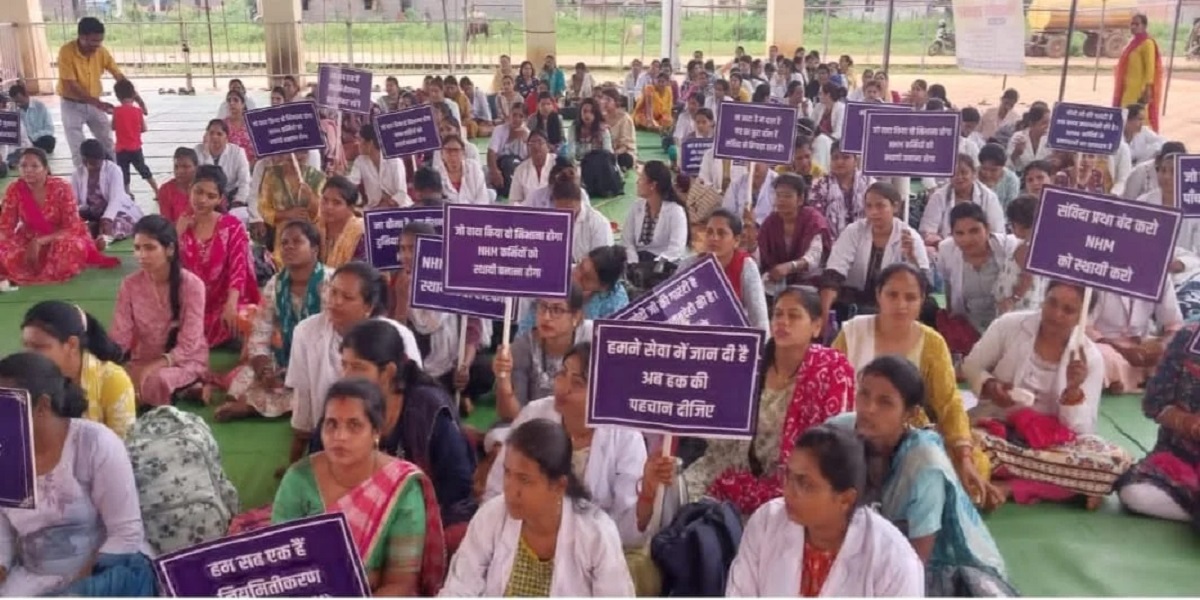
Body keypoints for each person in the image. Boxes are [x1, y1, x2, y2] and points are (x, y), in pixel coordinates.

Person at [831, 356, 1016, 596]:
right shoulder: (837, 433)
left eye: (885, 402)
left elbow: (916, 560)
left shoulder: (924, 464)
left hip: (927, 568)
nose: (868, 409)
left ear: (910, 414)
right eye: (864, 394)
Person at [833, 263, 999, 509]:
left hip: (906, 434)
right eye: (892, 295)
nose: (901, 304)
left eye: (910, 297)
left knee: (974, 463)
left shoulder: (932, 343)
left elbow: (948, 402)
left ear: (922, 301)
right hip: (855, 429)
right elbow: (831, 387)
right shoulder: (853, 333)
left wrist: (964, 456)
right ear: (878, 295)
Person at [684, 286, 856, 515]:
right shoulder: (749, 365)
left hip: (793, 484)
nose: (783, 322)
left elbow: (834, 444)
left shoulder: (830, 371)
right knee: (675, 499)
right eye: (778, 314)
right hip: (728, 470)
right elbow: (719, 431)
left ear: (816, 326)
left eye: (794, 315)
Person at [964, 283, 1134, 508]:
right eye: (1052, 303)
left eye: (1068, 310)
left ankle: (1011, 486)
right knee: (966, 444)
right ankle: (1066, 487)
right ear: (1043, 299)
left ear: (1083, 316)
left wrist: (1073, 391)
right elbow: (971, 366)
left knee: (1114, 463)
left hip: (1053, 445)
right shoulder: (1009, 325)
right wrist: (990, 386)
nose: (1056, 314)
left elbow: (1082, 429)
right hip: (998, 430)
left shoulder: (1089, 357)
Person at [0, 353, 155, 597]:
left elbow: (126, 533)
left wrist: (73, 592)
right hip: (33, 578)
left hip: (105, 572)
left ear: (42, 406)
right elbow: (3, 543)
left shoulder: (95, 444)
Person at [274, 378, 447, 596]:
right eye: (331, 424)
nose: (339, 436)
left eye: (354, 425)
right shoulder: (299, 478)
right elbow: (281, 562)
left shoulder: (401, 486)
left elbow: (401, 582)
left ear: (376, 432)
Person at [319, 320, 478, 545]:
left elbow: (457, 490)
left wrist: (407, 527)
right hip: (357, 516)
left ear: (388, 372)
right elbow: (318, 468)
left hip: (423, 519)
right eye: (344, 365)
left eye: (358, 368)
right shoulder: (343, 403)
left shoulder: (427, 410)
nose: (346, 376)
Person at [441, 419, 636, 596]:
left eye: (524, 480)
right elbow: (459, 587)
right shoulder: (491, 516)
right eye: (508, 473)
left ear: (559, 486)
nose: (511, 489)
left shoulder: (596, 534)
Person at [726, 424, 925, 596]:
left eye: (805, 484)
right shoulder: (766, 523)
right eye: (787, 475)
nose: (787, 491)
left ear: (846, 499)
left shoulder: (893, 560)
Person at [284, 261, 423, 470]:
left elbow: (411, 394)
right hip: (332, 434)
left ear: (368, 307)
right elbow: (303, 397)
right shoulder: (306, 332)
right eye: (333, 292)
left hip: (388, 442)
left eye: (347, 297)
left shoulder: (398, 335)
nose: (335, 302)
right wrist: (296, 462)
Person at [217, 221, 328, 421]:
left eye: (297, 242)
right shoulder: (276, 284)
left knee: (318, 388)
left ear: (314, 249)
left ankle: (253, 407)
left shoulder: (330, 282)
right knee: (243, 379)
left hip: (322, 360)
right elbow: (261, 331)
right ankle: (263, 401)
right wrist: (265, 370)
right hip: (286, 358)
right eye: (284, 243)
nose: (289, 247)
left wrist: (300, 368)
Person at [111, 215, 208, 407]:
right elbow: (120, 334)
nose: (141, 255)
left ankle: (188, 384)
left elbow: (190, 343)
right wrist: (107, 360)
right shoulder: (129, 284)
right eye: (137, 248)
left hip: (183, 360)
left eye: (150, 248)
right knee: (109, 381)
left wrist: (152, 368)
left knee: (156, 381)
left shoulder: (192, 285)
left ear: (169, 249)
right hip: (143, 358)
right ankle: (188, 390)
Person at [1115, 323, 1200, 526]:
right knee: (1134, 494)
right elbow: (1154, 403)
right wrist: (1188, 423)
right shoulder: (1187, 337)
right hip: (1179, 458)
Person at [0, 148, 119, 286]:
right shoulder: (14, 189)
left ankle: (85, 249)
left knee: (64, 249)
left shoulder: (62, 187)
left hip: (62, 237)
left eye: (34, 166)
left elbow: (72, 227)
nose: (28, 170)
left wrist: (39, 242)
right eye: (23, 166)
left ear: (45, 169)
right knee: (6, 251)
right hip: (29, 237)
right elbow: (6, 227)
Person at [21, 301, 135, 439]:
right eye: (26, 345)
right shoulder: (22, 377)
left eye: (39, 347)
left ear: (72, 344)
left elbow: (124, 445)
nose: (29, 354)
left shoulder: (112, 380)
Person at [820, 182, 930, 323]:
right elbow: (833, 274)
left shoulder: (910, 236)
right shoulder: (853, 231)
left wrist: (911, 257)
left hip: (893, 302)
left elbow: (922, 284)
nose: (873, 212)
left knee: (929, 307)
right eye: (869, 206)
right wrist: (824, 316)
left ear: (895, 207)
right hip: (854, 301)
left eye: (880, 206)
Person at [178, 165, 261, 349]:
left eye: (211, 196)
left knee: (246, 319)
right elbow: (165, 270)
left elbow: (239, 269)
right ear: (190, 188)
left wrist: (231, 304)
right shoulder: (181, 226)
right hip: (191, 303)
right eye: (198, 192)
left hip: (226, 300)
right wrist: (176, 235)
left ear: (220, 199)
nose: (202, 200)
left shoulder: (232, 226)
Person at [495, 284, 592, 420]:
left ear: (576, 316)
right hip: (533, 424)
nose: (546, 317)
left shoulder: (591, 340)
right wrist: (503, 379)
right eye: (542, 307)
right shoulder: (522, 347)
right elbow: (511, 417)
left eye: (557, 310)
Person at [57, 17, 143, 168]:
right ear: (81, 37)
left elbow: (118, 75)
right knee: (77, 146)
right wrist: (98, 103)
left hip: (95, 103)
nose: (97, 45)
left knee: (107, 141)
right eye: (93, 41)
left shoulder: (101, 51)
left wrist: (136, 98)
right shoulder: (66, 52)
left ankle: (116, 174)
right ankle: (84, 178)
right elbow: (71, 84)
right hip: (71, 104)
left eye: (100, 41)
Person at [935, 203, 1020, 350]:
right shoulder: (946, 250)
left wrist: (1014, 299)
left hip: (1008, 326)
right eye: (959, 233)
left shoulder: (1009, 246)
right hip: (968, 332)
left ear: (987, 229)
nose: (967, 239)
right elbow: (948, 287)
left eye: (974, 231)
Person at [691, 209, 769, 331]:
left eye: (721, 233)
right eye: (709, 232)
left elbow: (759, 318)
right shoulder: (691, 264)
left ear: (736, 241)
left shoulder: (746, 266)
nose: (714, 238)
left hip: (733, 335)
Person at [757, 173, 831, 303]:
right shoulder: (770, 222)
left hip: (810, 284)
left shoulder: (813, 220)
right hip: (775, 284)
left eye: (787, 196)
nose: (781, 200)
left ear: (800, 199)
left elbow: (813, 257)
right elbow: (761, 254)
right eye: (778, 195)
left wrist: (790, 267)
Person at [919, 154, 1006, 250]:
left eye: (964, 172)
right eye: (954, 174)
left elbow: (998, 232)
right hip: (945, 249)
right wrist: (946, 245)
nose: (959, 177)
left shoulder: (989, 197)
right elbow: (927, 231)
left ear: (974, 174)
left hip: (981, 249)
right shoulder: (938, 197)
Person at [72, 139, 143, 246]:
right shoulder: (77, 174)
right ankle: (94, 229)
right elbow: (73, 200)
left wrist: (107, 219)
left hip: (115, 211)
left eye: (98, 164)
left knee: (118, 225)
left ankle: (102, 235)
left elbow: (116, 199)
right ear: (84, 161)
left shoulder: (114, 170)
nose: (96, 167)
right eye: (92, 164)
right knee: (71, 224)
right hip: (91, 212)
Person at [622, 160, 689, 263]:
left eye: (641, 178)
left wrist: (655, 264)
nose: (637, 182)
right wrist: (633, 261)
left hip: (664, 263)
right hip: (638, 259)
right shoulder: (636, 207)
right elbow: (627, 240)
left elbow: (676, 249)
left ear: (653, 185)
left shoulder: (676, 212)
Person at [195, 120, 256, 226]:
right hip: (208, 196)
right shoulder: (197, 151)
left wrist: (238, 201)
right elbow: (196, 180)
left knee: (239, 217)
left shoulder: (238, 152)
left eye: (219, 134)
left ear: (226, 138)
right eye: (211, 133)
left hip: (233, 195)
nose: (214, 137)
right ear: (206, 135)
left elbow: (245, 181)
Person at [808, 143, 871, 239]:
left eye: (845, 157)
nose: (839, 162)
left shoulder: (869, 183)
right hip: (830, 242)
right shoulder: (819, 185)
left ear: (855, 161)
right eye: (835, 158)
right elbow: (817, 219)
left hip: (866, 240)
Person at [1114, 14, 1163, 131]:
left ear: (1144, 26)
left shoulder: (1147, 43)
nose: (1133, 27)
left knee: (1138, 120)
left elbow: (1150, 68)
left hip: (1139, 91)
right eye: (1132, 24)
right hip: (1127, 89)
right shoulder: (1132, 42)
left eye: (1137, 24)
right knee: (1125, 117)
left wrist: (1148, 89)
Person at [111, 79, 157, 195]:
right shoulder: (138, 111)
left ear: (117, 96)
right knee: (143, 169)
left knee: (123, 172)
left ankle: (127, 192)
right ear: (133, 94)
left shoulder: (116, 111)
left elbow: (113, 127)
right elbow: (144, 128)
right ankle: (156, 190)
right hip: (135, 147)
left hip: (121, 149)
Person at [348, 123, 408, 209]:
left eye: (360, 140)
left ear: (370, 143)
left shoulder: (395, 161)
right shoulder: (360, 161)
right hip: (373, 208)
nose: (358, 144)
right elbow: (351, 184)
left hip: (399, 209)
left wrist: (386, 205)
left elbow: (401, 193)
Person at [317, 175, 366, 269]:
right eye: (325, 200)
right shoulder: (316, 227)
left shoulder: (361, 233)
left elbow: (362, 272)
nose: (328, 207)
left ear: (351, 208)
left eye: (337, 203)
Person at [436, 135, 491, 205]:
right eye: (448, 151)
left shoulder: (474, 168)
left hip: (475, 209)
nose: (453, 154)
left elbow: (482, 197)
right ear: (442, 154)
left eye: (456, 150)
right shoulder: (436, 174)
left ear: (463, 153)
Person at [8, 84, 56, 160]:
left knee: (50, 140)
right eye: (16, 102)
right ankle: (30, 150)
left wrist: (32, 137)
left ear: (26, 95)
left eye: (20, 101)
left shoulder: (40, 106)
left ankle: (28, 150)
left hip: (38, 139)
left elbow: (49, 129)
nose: (18, 104)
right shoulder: (13, 110)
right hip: (23, 142)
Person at [509, 131, 554, 204]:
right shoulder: (520, 169)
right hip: (528, 209)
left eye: (540, 142)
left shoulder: (557, 164)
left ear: (548, 146)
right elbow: (514, 200)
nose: (536, 146)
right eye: (531, 143)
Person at [156, 147, 198, 224]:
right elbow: (166, 224)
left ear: (196, 167)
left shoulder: (205, 187)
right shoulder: (166, 190)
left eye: (185, 167)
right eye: (176, 167)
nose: (180, 171)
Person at [600, 87, 638, 171]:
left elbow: (625, 146)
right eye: (603, 99)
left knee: (624, 160)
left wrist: (612, 154)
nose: (604, 102)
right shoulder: (600, 118)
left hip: (622, 153)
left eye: (608, 100)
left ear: (616, 102)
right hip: (604, 152)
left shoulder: (625, 119)